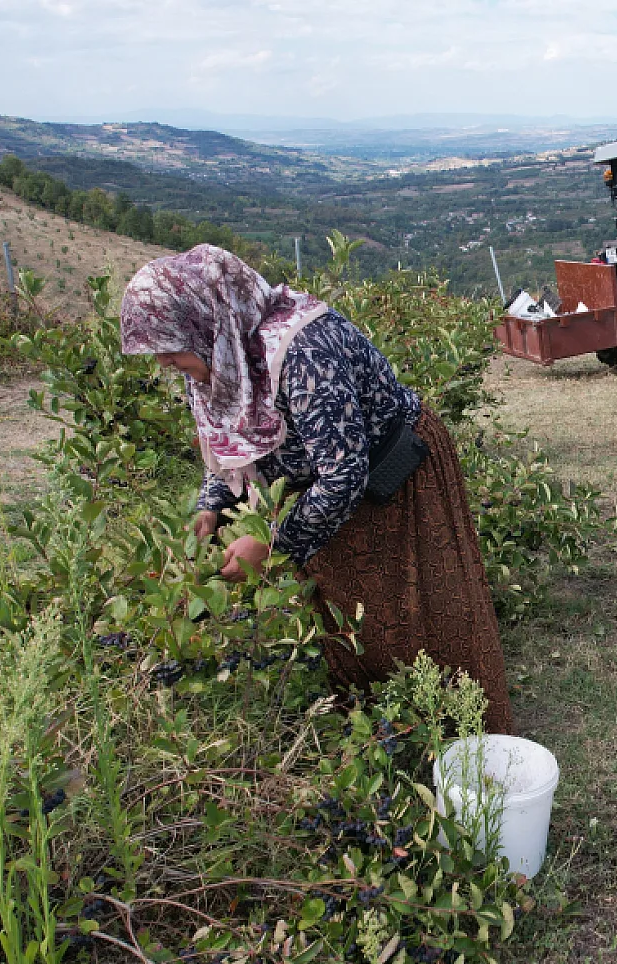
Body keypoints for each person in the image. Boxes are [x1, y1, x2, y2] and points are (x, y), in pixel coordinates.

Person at [119, 244, 513, 732]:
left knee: (426, 611)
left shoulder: (303, 350)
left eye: (169, 348)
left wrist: (272, 543)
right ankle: (389, 738)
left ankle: (468, 736)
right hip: (320, 500)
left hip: (396, 479)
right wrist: (211, 507)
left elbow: (344, 473)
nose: (164, 362)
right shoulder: (219, 361)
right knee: (355, 618)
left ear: (204, 325)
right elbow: (230, 443)